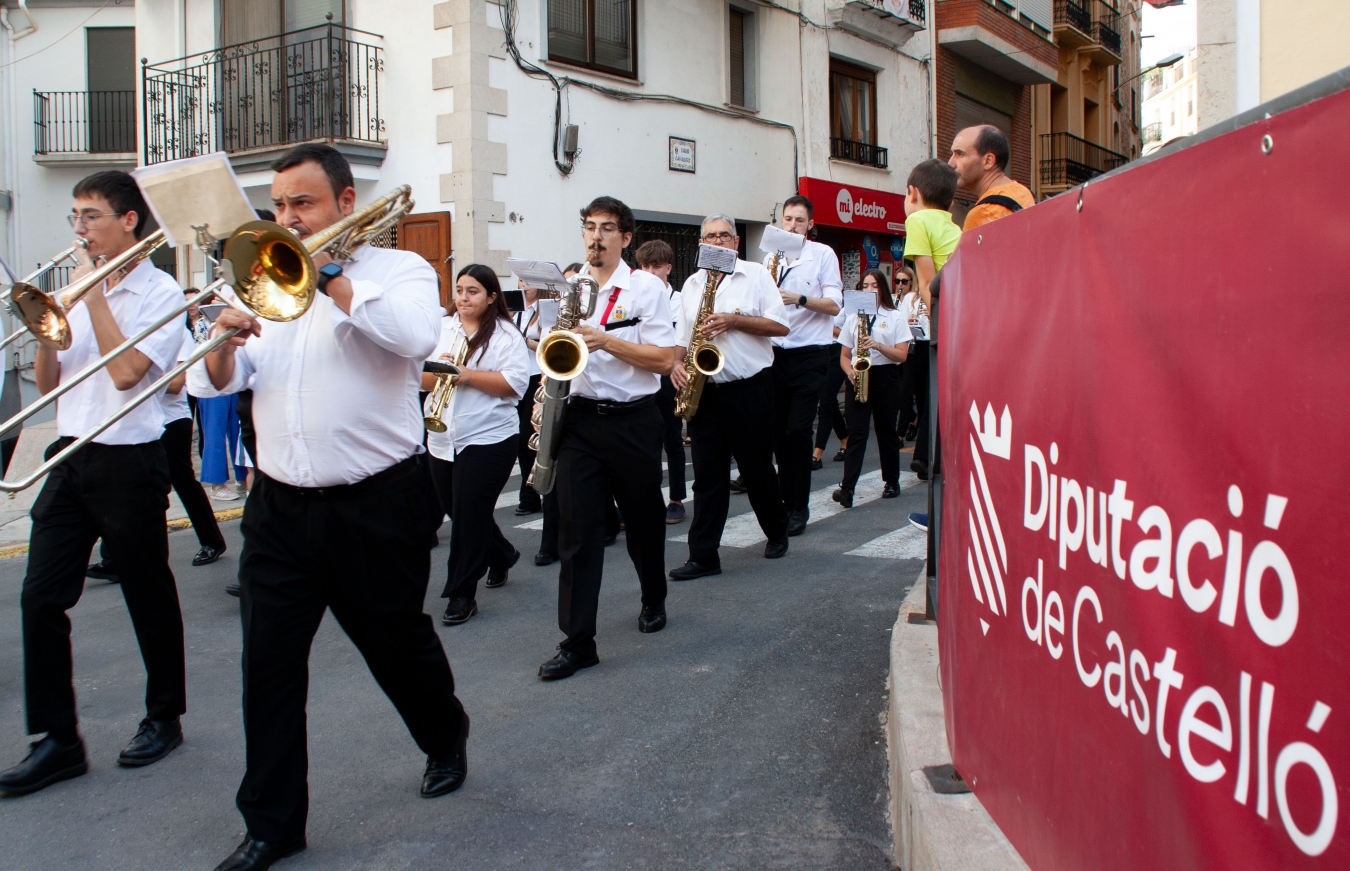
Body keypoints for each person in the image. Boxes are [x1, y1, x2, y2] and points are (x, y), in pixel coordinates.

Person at [194, 144, 469, 871]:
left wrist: (332, 278)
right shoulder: (264, 282)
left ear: (346, 204)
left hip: (376, 504)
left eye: (302, 204)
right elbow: (219, 381)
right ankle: (272, 824)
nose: (286, 219)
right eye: (279, 206)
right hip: (280, 510)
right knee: (269, 667)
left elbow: (415, 338)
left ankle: (445, 734)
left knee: (396, 645)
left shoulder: (399, 271)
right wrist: (223, 341)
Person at [0, 171, 188, 798]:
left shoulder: (159, 292)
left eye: (90, 216)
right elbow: (51, 379)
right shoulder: (75, 288)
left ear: (128, 221)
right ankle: (56, 740)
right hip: (70, 453)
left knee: (146, 593)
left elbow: (132, 372)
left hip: (130, 459)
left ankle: (164, 715)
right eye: (74, 218)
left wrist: (95, 298)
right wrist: (47, 326)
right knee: (40, 598)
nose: (79, 230)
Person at [534, 196, 675, 682]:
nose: (596, 237)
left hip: (633, 421)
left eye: (607, 229)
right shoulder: (570, 286)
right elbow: (554, 348)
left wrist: (607, 340)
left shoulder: (647, 290)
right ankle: (578, 643)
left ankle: (653, 595)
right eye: (590, 227)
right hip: (579, 421)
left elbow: (663, 359)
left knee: (643, 522)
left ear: (626, 238)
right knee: (576, 534)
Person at [668, 214, 790, 581]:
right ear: (701, 243)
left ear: (736, 242)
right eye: (710, 237)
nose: (717, 241)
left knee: (756, 469)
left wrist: (735, 320)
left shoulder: (755, 275)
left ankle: (777, 529)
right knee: (707, 477)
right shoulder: (692, 283)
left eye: (724, 236)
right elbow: (682, 335)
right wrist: (676, 363)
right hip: (705, 391)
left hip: (748, 387)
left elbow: (780, 326)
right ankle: (703, 556)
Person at [85, 289, 229, 586]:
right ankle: (112, 558)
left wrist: (137, 378)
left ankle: (212, 540)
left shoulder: (177, 335)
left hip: (171, 420)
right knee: (123, 486)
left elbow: (176, 384)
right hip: (141, 421)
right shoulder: (132, 337)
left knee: (183, 482)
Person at [425, 265, 529, 626]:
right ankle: (500, 553)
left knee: (468, 515)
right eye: (459, 290)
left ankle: (461, 594)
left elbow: (515, 384)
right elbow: (418, 376)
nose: (463, 298)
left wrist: (466, 375)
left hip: (489, 436)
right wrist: (439, 371)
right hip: (442, 436)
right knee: (457, 508)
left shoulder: (505, 335)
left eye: (472, 291)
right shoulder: (441, 327)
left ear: (491, 297)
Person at [765, 195, 842, 537]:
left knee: (798, 430)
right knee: (779, 433)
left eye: (799, 220)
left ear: (809, 224)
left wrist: (799, 298)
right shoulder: (771, 258)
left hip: (810, 353)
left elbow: (835, 305)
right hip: (775, 354)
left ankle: (799, 506)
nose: (792, 225)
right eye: (787, 220)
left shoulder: (822, 254)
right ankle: (785, 502)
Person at [903, 159, 962, 480]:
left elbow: (927, 284)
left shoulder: (918, 220)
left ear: (912, 193)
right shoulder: (953, 226)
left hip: (950, 322)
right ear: (951, 201)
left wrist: (938, 325)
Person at [832, 269, 909, 508]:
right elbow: (844, 355)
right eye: (864, 286)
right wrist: (850, 372)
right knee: (857, 434)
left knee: (886, 431)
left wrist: (877, 345)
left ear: (882, 288)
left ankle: (892, 481)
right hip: (859, 376)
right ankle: (847, 488)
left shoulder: (894, 316)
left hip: (885, 376)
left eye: (873, 285)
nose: (868, 290)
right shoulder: (854, 317)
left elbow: (902, 354)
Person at [635, 239, 687, 524]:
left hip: (667, 376)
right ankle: (646, 498)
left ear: (668, 267)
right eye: (645, 267)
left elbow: (680, 337)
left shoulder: (679, 300)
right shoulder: (635, 298)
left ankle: (677, 498)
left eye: (657, 267)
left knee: (672, 439)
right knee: (644, 443)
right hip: (643, 374)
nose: (651, 272)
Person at [948, 124, 1036, 232]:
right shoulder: (1026, 194)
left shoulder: (984, 213)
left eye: (960, 154)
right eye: (952, 154)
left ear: (988, 161)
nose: (950, 163)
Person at [511, 280, 543, 516]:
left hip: (535, 376)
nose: (525, 286)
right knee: (518, 439)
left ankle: (530, 494)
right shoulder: (513, 309)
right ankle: (529, 493)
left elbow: (552, 344)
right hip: (515, 376)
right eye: (522, 281)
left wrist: (528, 342)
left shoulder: (544, 308)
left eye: (530, 281)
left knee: (527, 436)